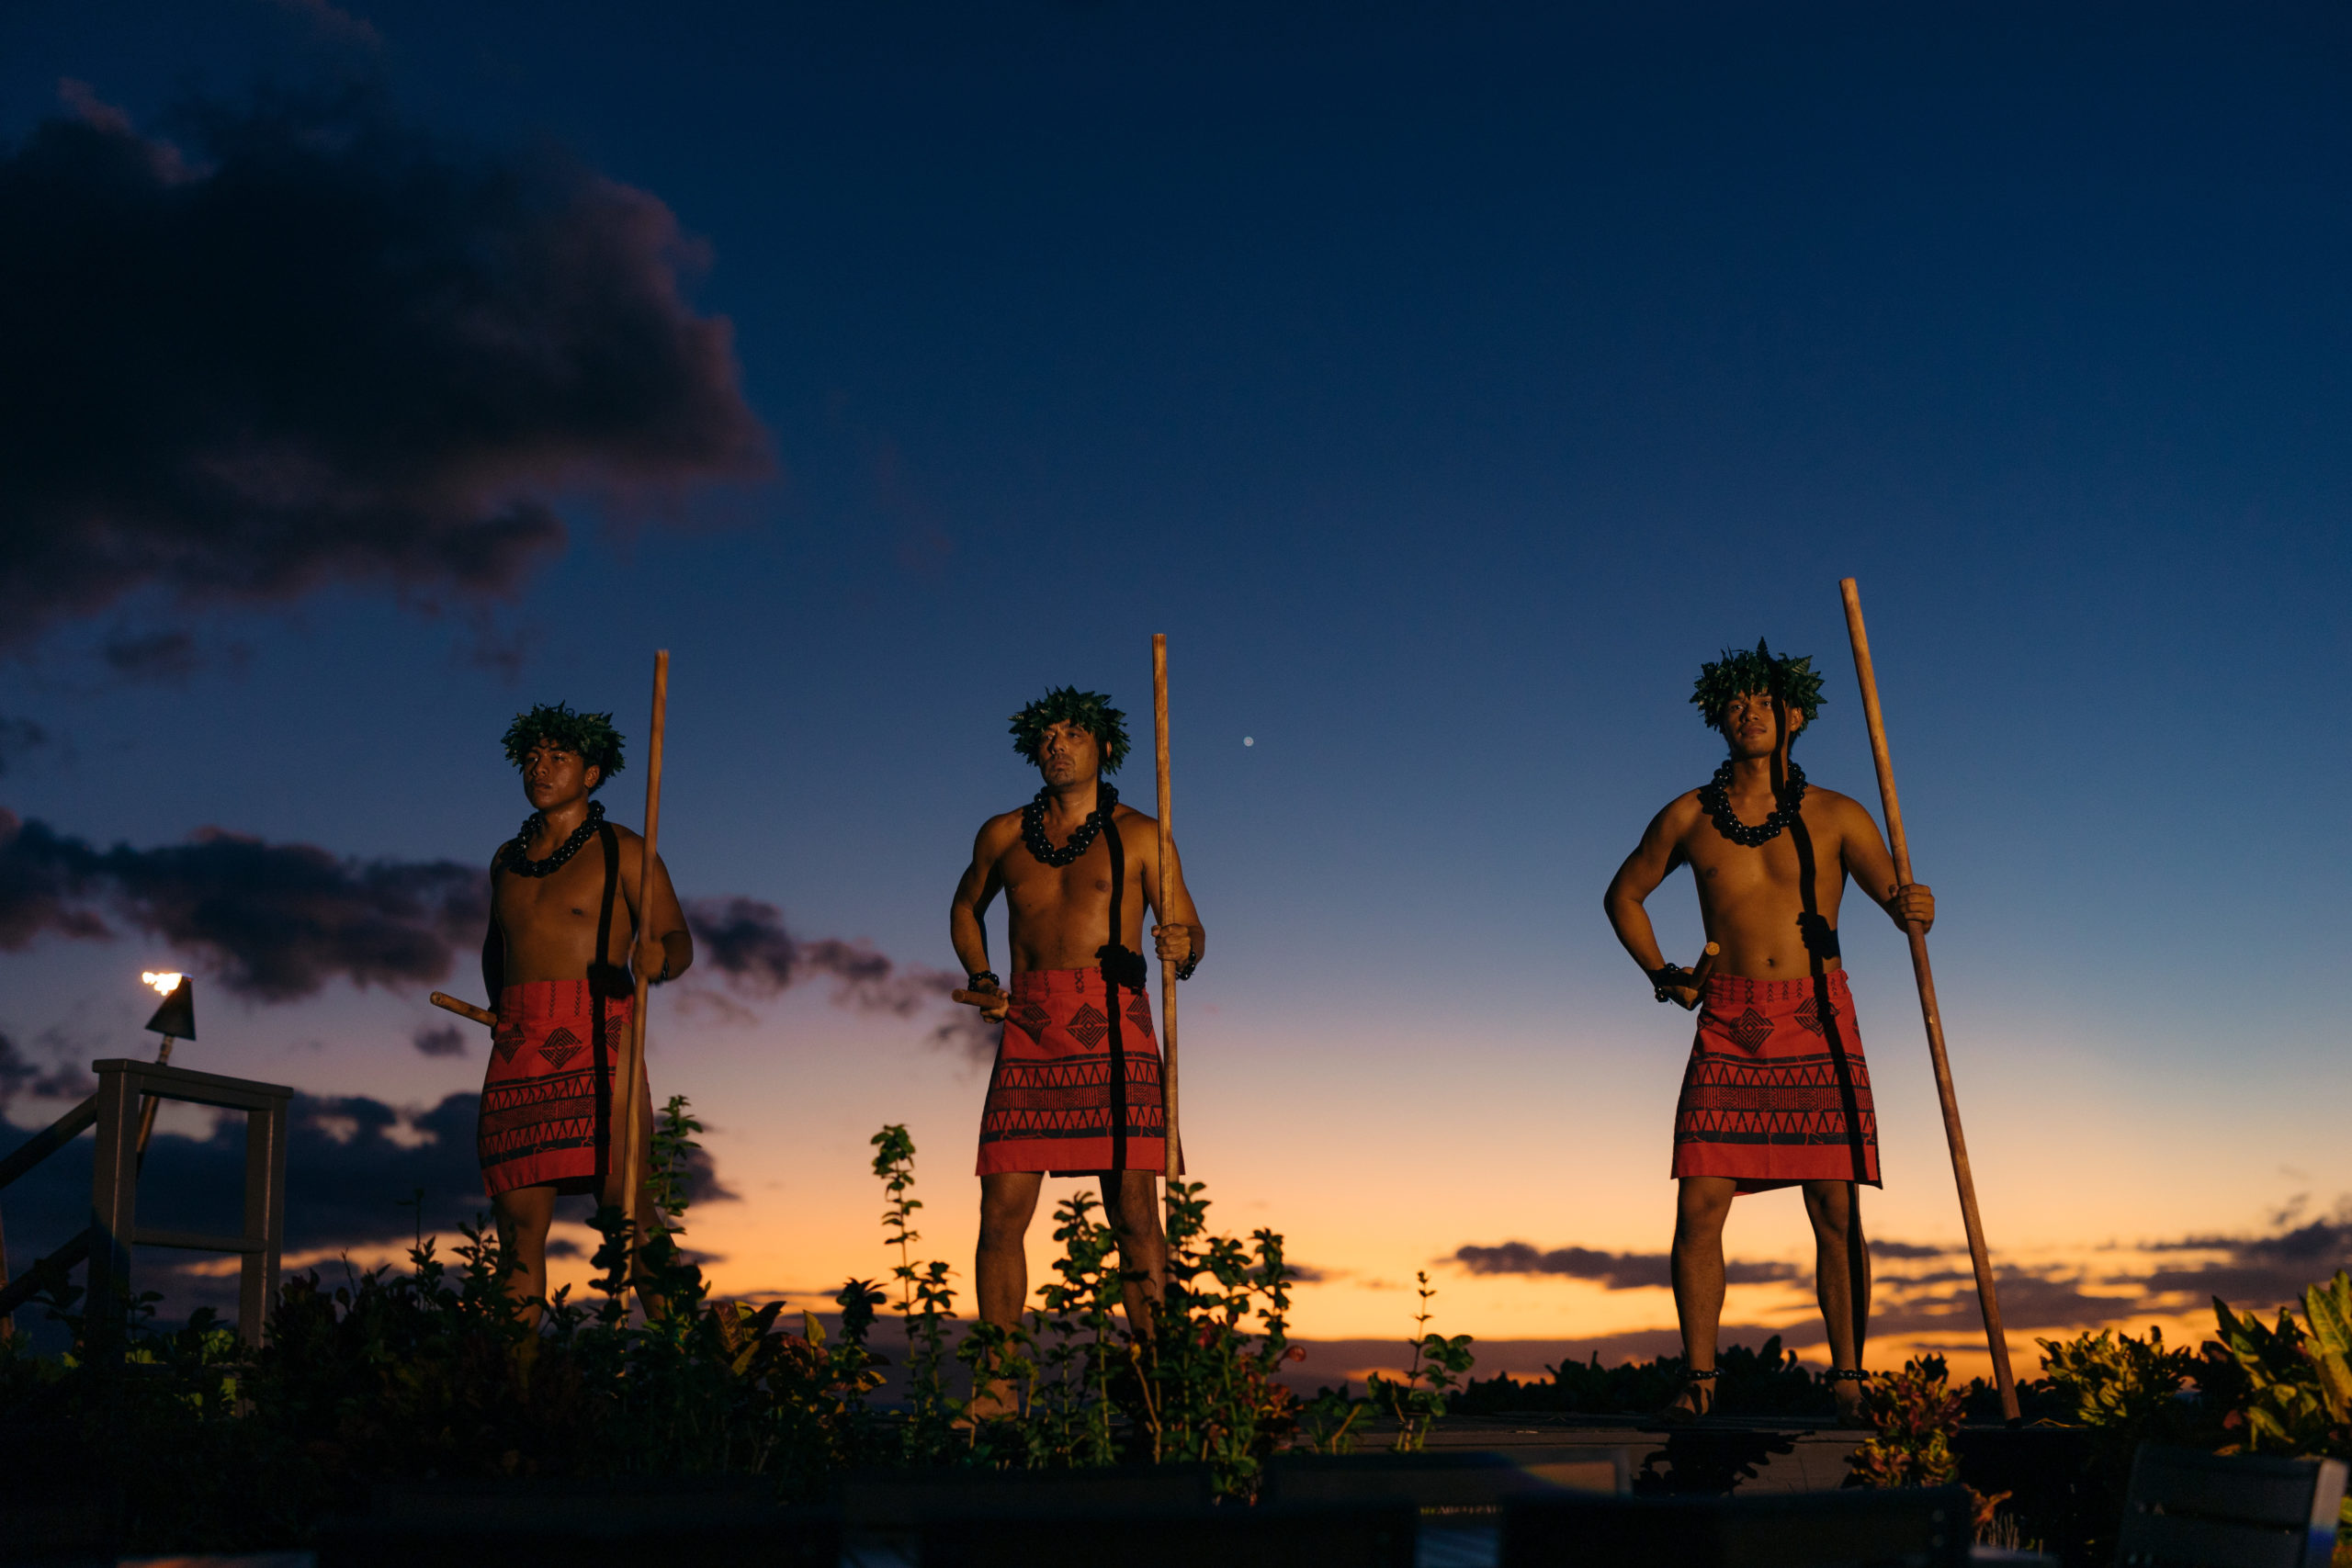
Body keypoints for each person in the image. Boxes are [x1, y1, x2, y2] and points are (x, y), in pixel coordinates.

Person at [1603, 641, 1933, 1424]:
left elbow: (1898, 903)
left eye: (1764, 702)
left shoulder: (1839, 814)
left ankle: (1849, 1378)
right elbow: (1624, 896)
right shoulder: (1687, 815)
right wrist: (1664, 973)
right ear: (1719, 715)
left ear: (1794, 717)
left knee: (1836, 1204)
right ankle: (1702, 1379)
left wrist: (1915, 906)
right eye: (1735, 701)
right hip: (1727, 1023)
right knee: (1701, 1204)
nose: (1748, 712)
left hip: (1817, 1013)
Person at [949, 686, 1204, 1356]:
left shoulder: (1143, 834)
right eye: (1048, 736)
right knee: (999, 1212)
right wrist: (982, 977)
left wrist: (1184, 945)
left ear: (1106, 746)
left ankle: (1160, 1378)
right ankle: (1001, 1381)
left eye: (1075, 734)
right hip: (1029, 1022)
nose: (1058, 745)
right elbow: (965, 907)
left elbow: (1192, 928)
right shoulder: (1003, 833)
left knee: (1135, 1216)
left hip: (1115, 1026)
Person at [479, 702, 692, 1323]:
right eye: (532, 758)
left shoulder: (623, 849)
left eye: (558, 759)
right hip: (519, 1041)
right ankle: (513, 1384)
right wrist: (500, 1010)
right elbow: (496, 947)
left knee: (628, 1209)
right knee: (517, 1225)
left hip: (598, 1033)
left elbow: (679, 941)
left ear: (591, 774)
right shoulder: (505, 860)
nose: (540, 769)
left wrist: (660, 957)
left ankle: (691, 1361)